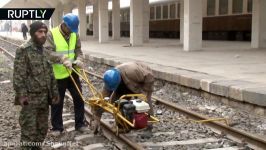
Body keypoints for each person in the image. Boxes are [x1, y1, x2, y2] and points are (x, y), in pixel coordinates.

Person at [13, 21, 59, 150]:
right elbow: (18, 76)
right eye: (40, 32)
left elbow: (50, 74)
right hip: (30, 100)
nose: (43, 35)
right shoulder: (23, 50)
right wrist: (22, 96)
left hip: (44, 99)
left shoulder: (45, 52)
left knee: (42, 130)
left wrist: (55, 93)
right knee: (29, 132)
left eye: (45, 32)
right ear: (32, 33)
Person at [44, 13, 86, 135]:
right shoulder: (51, 34)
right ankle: (57, 127)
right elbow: (47, 52)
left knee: (79, 98)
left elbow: (78, 50)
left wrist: (80, 59)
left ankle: (80, 124)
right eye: (70, 29)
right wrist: (62, 58)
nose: (71, 32)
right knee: (57, 101)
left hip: (72, 72)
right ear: (64, 24)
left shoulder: (74, 34)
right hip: (58, 75)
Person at [93, 62, 155, 134]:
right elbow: (102, 100)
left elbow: (149, 76)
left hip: (143, 80)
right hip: (126, 83)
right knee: (116, 103)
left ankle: (149, 126)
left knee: (145, 102)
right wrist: (97, 117)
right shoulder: (110, 80)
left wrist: (145, 91)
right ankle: (122, 125)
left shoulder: (132, 72)